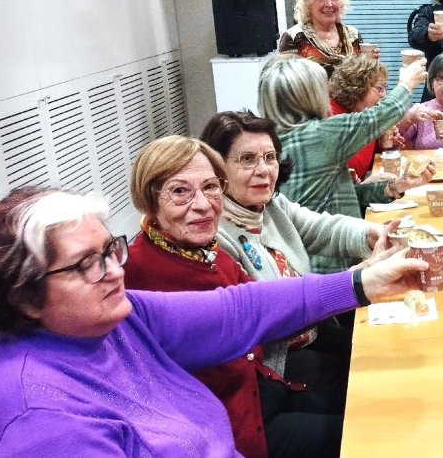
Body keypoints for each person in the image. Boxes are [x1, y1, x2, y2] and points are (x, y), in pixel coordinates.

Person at [0, 186, 426, 456]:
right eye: (84, 265)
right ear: (23, 297)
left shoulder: (114, 321)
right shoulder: (39, 421)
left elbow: (238, 311)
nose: (115, 270)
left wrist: (362, 283)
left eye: (108, 250)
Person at [121, 135, 354, 457]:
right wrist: (358, 283)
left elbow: (269, 309)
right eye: (179, 191)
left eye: (211, 187)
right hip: (229, 430)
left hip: (262, 392)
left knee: (366, 397)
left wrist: (361, 279)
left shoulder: (207, 250)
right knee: (357, 434)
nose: (202, 204)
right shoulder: (137, 272)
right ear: (149, 200)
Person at [200, 111, 392, 384]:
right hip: (278, 364)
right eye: (247, 159)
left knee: (384, 353)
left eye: (269, 157)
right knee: (370, 385)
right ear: (217, 169)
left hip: (313, 333)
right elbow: (268, 316)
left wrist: (373, 234)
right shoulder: (215, 236)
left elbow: (322, 228)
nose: (263, 170)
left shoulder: (270, 206)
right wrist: (358, 276)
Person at [259, 54, 432, 272]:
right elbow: (379, 116)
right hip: (332, 265)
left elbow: (330, 202)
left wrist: (391, 188)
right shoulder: (318, 135)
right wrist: (407, 83)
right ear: (308, 95)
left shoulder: (274, 140)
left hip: (304, 264)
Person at [328, 55, 426, 177]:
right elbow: (354, 167)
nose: (383, 95)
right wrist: (406, 84)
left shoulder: (359, 112)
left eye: (385, 88)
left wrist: (381, 143)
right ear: (357, 88)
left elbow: (368, 163)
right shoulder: (331, 114)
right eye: (379, 88)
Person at [279, 0, 376, 76]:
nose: (329, 4)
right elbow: (285, 87)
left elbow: (364, 81)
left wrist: (372, 65)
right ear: (307, 4)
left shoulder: (353, 35)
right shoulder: (294, 37)